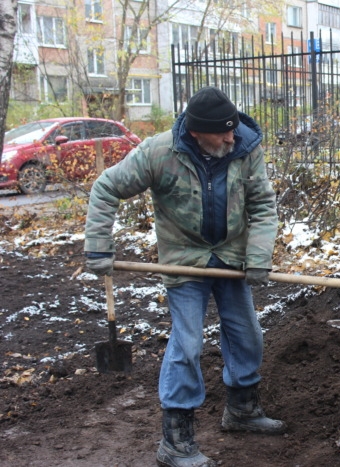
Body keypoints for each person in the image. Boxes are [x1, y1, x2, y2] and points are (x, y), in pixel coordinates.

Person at [84, 86, 286, 467]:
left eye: (233, 129)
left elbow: (262, 203)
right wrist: (98, 245)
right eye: (222, 132)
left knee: (247, 335)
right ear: (196, 132)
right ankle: (175, 442)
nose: (231, 137)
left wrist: (258, 255)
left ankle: (242, 410)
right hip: (184, 259)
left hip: (230, 256)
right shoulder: (160, 152)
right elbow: (107, 187)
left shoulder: (244, 146)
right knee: (188, 343)